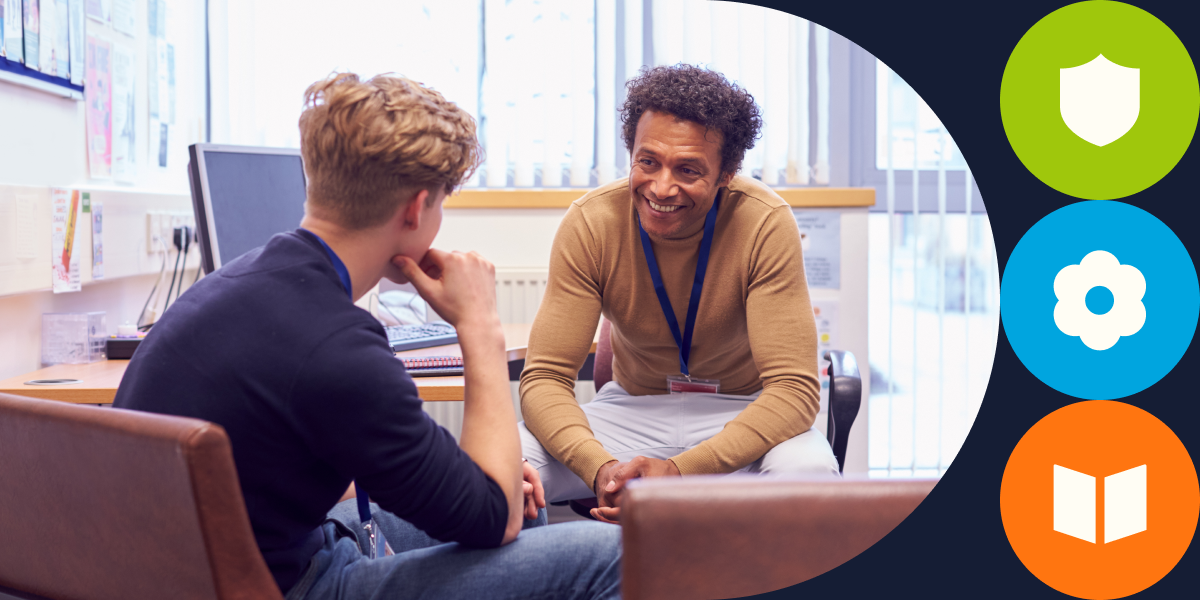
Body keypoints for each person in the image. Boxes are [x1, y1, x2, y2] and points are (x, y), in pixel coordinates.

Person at [114, 72, 621, 600]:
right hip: (293, 585)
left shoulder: (238, 281)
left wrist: (482, 489)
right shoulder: (339, 349)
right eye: (442, 204)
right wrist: (480, 326)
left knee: (526, 506)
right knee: (617, 557)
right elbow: (493, 519)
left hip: (223, 563)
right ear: (414, 208)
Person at [519, 64, 840, 523]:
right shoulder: (591, 223)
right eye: (648, 161)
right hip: (631, 412)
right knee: (502, 465)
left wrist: (681, 471)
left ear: (726, 173)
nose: (662, 187)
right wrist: (602, 470)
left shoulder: (765, 222)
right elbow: (545, 379)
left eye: (688, 169)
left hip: (741, 412)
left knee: (809, 476)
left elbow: (793, 391)